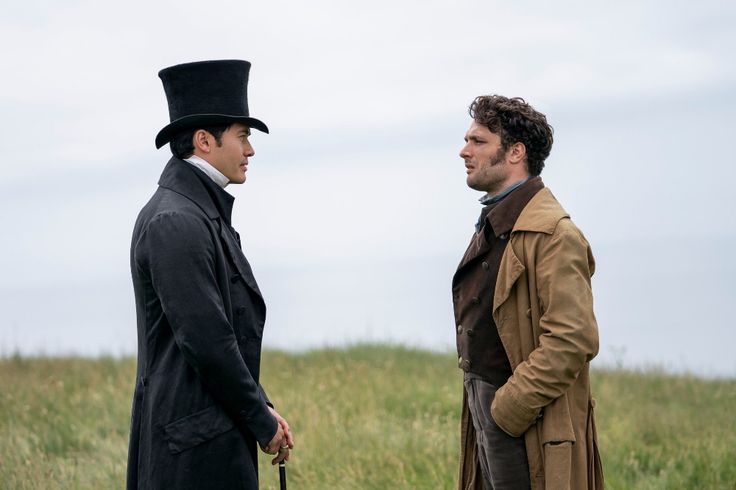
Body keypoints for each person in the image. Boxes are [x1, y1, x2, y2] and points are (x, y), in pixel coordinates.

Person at [127, 60, 293, 489]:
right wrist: (260, 418)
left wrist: (261, 405)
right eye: (243, 137)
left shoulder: (197, 212)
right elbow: (207, 340)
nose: (251, 150)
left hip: (207, 437)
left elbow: (224, 333)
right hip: (189, 452)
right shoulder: (175, 221)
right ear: (204, 141)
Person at [453, 95, 603, 490]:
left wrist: (508, 408)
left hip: (524, 419)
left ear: (515, 152)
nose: (464, 151)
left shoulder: (555, 234)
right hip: (487, 407)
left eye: (478, 141)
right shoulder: (498, 221)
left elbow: (572, 339)